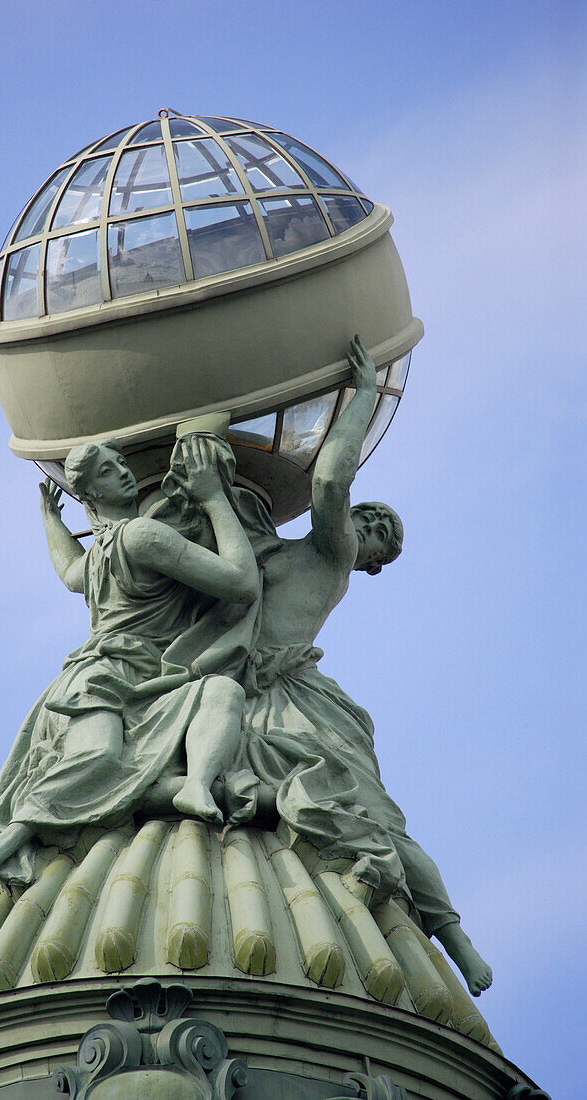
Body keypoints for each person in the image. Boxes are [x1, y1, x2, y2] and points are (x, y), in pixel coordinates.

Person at [241, 335, 493, 996]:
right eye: (373, 516)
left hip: (292, 703)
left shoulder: (330, 552)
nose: (372, 519)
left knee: (376, 820)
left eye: (382, 531)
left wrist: (356, 400)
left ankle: (454, 940)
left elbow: (327, 479)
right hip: (238, 686)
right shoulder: (272, 545)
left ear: (371, 560)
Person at [0, 434, 258, 889]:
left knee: (224, 692)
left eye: (120, 460)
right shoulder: (140, 536)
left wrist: (50, 520)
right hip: (103, 677)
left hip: (153, 680)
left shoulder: (102, 552)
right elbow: (241, 582)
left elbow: (67, 571)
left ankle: (193, 784)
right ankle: (9, 840)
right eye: (106, 470)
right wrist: (215, 497)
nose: (122, 470)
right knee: (99, 758)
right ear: (92, 494)